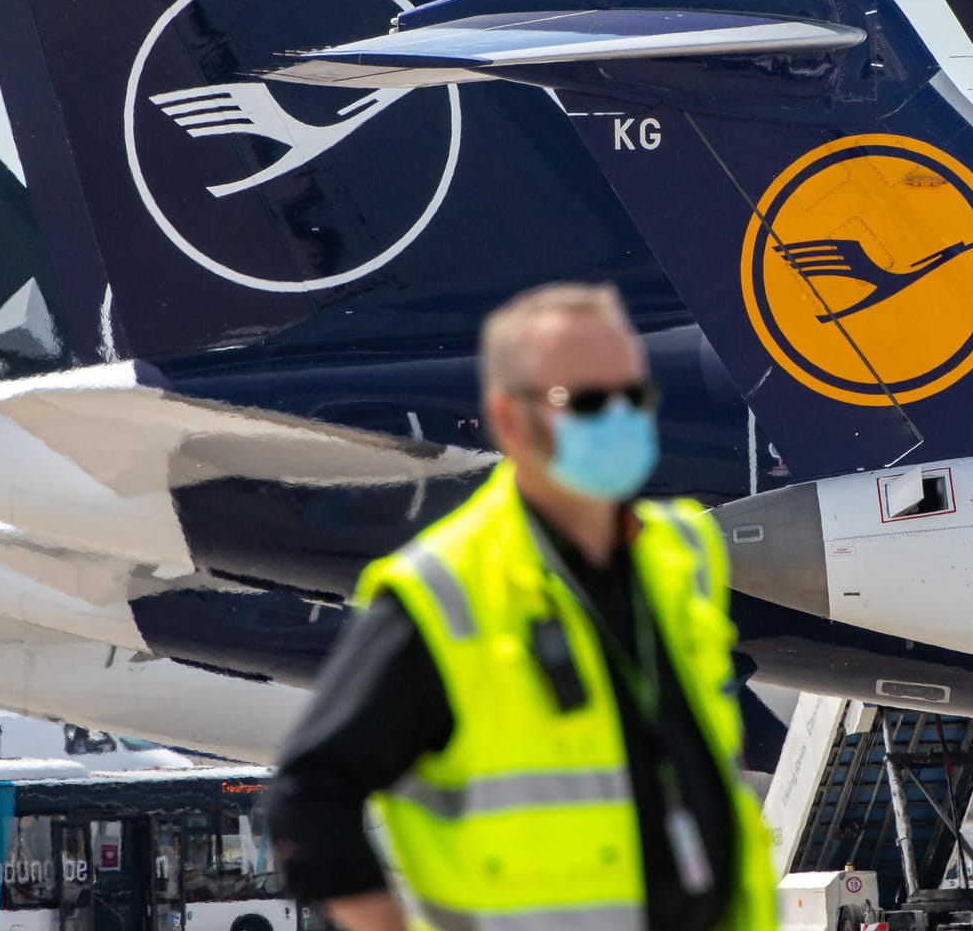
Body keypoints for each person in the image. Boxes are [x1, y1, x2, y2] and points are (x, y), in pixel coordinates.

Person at [266, 283, 776, 931]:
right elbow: (306, 803)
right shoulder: (447, 590)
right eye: (589, 402)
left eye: (634, 396)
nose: (619, 419)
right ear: (510, 420)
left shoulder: (677, 553)